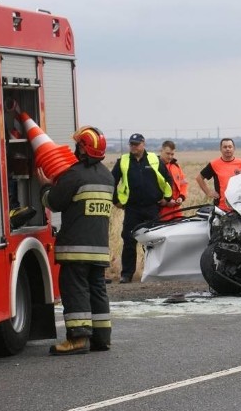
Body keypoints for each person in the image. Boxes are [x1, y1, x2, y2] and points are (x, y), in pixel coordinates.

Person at [36, 126, 114, 356]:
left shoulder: (75, 174)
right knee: (97, 290)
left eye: (78, 144)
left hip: (76, 249)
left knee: (75, 290)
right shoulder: (107, 176)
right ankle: (101, 338)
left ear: (83, 148)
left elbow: (55, 202)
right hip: (99, 249)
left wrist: (46, 186)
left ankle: (78, 339)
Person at [112, 133, 172, 283]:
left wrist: (167, 198)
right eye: (131, 144)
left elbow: (167, 178)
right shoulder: (123, 161)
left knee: (154, 242)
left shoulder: (154, 159)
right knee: (129, 241)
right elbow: (111, 181)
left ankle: (154, 272)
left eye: (136, 144)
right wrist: (116, 200)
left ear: (143, 144)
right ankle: (127, 274)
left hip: (152, 208)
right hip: (132, 209)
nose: (133, 146)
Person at [196, 138, 241, 212]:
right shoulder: (214, 164)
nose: (228, 149)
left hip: (239, 207)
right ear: (221, 149)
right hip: (221, 207)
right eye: (225, 147)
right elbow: (199, 178)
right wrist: (208, 192)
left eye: (230, 147)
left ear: (234, 148)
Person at [158, 140, 188, 221]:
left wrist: (181, 197)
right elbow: (152, 188)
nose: (170, 157)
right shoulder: (155, 167)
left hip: (176, 209)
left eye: (172, 154)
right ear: (161, 151)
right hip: (162, 210)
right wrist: (166, 201)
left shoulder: (176, 166)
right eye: (168, 153)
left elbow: (183, 184)